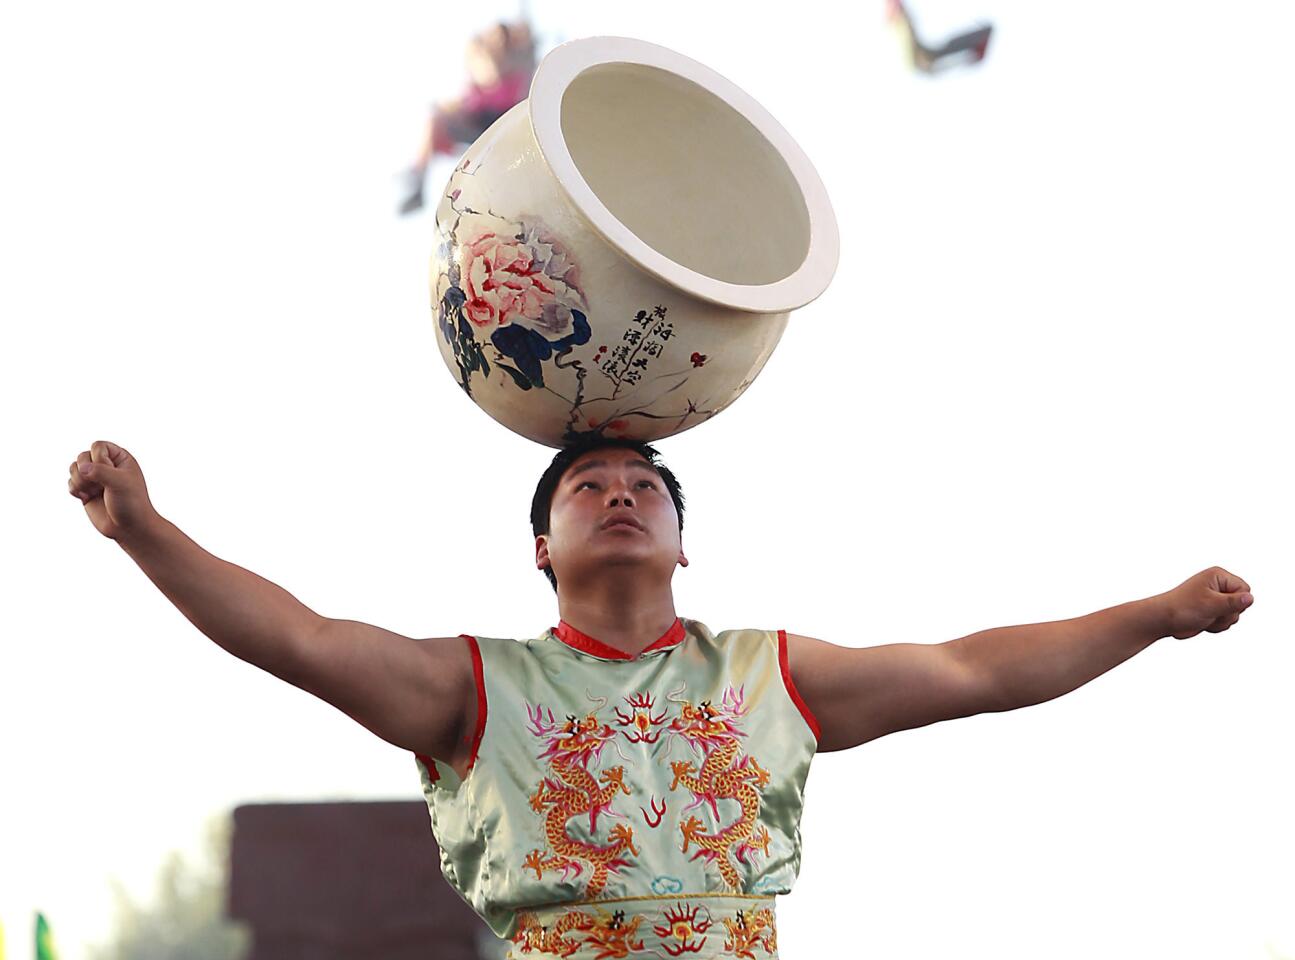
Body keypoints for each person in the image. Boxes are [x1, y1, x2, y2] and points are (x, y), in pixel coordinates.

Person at [68, 436, 1254, 958]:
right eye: (587, 485)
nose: (621, 494)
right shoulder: (476, 686)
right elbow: (299, 637)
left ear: (684, 544)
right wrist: (145, 532)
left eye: (646, 484)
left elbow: (970, 670)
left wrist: (1152, 615)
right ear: (540, 547)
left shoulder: (768, 674)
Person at [398, 20, 537, 216]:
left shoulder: (519, 62)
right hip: (477, 119)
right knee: (436, 118)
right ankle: (418, 179)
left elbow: (498, 77)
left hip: (502, 118)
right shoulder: (481, 57)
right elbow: (481, 83)